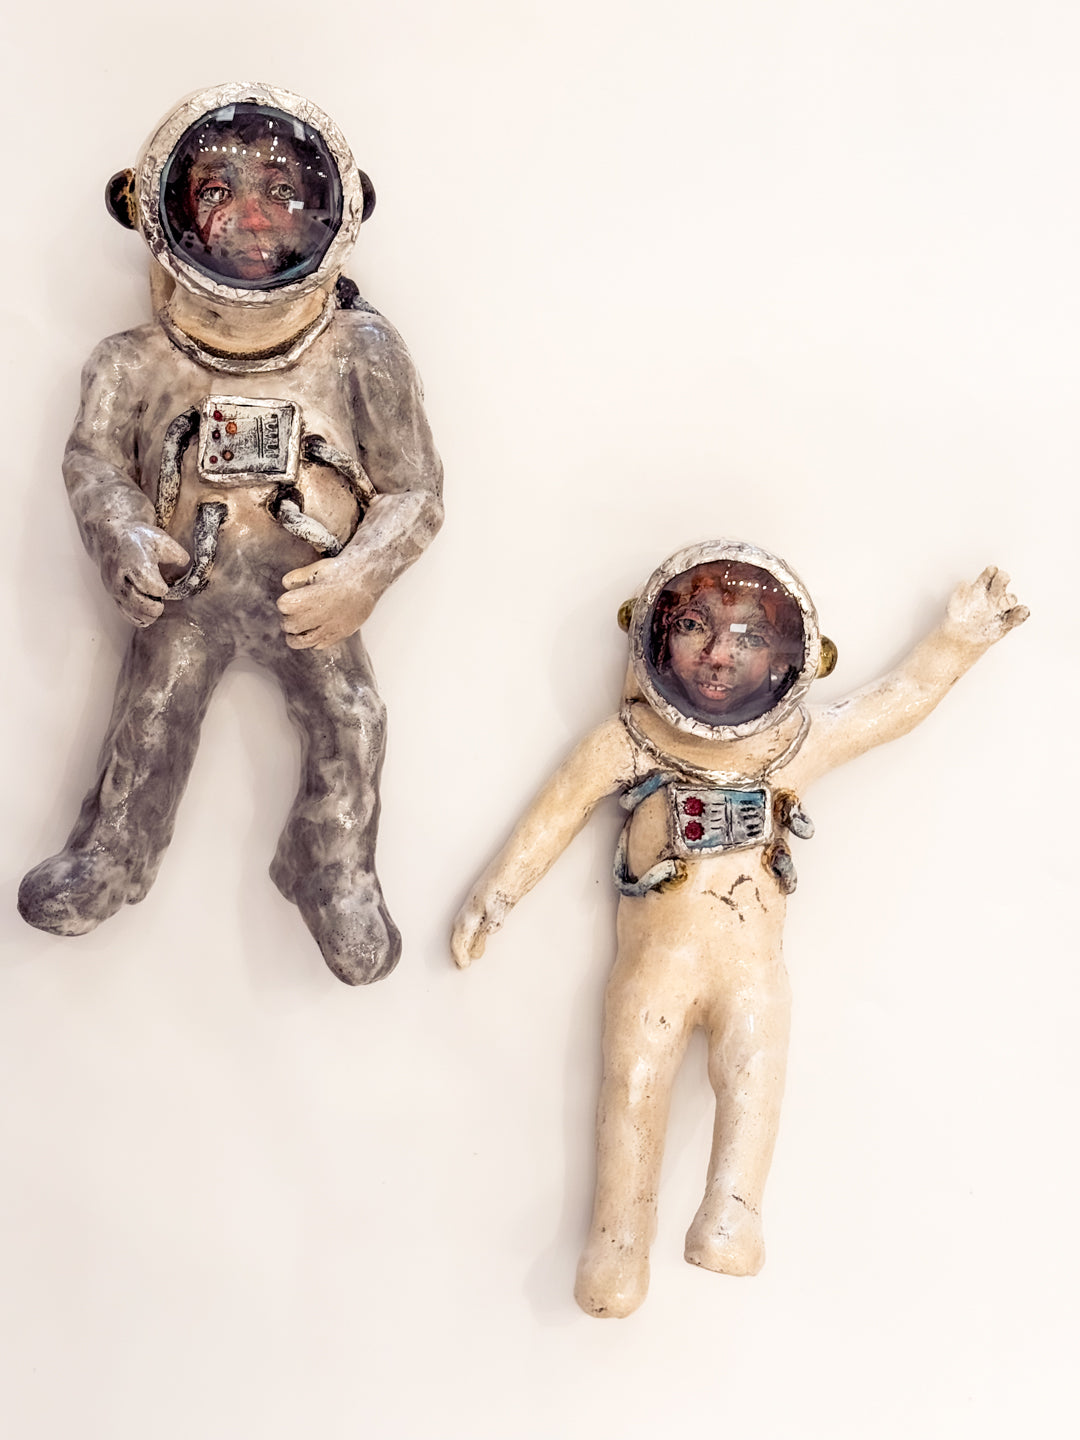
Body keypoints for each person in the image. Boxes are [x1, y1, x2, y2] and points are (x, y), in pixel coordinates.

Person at [451, 540, 1027, 1317]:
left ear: (796, 657)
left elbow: (893, 705)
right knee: (633, 1085)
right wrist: (496, 893)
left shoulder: (792, 745)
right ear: (651, 635)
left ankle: (733, 1211)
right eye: (694, 625)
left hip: (751, 965)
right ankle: (618, 1245)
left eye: (751, 637)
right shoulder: (626, 741)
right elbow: (551, 818)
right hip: (653, 968)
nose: (720, 655)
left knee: (754, 1069)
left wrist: (958, 640)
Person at [18, 84, 443, 985]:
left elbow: (414, 490)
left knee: (352, 720)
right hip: (192, 595)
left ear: (339, 210)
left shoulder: (361, 350)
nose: (251, 218)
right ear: (152, 210)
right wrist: (125, 535)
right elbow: (93, 462)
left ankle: (331, 863)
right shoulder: (132, 362)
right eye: (215, 190)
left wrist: (360, 577)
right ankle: (115, 850)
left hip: (307, 597)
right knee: (151, 714)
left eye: (283, 192)